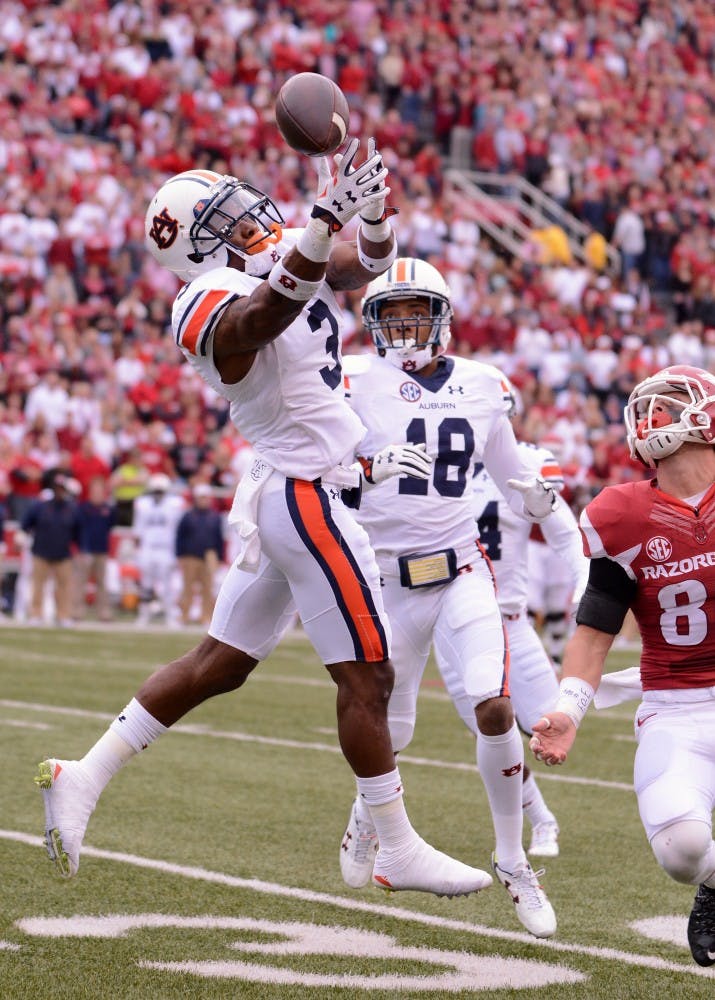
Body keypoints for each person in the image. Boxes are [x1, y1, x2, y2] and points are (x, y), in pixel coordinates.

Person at [35, 141, 494, 898]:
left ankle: (83, 776)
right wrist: (317, 226)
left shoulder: (273, 257)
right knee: (368, 674)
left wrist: (372, 217)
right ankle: (394, 846)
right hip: (303, 494)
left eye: (242, 202)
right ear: (194, 242)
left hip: (302, 485)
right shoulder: (202, 296)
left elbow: (358, 267)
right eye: (225, 215)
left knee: (222, 662)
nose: (251, 217)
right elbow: (258, 319)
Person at [339, 258, 559, 937]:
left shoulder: (483, 384)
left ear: (439, 316)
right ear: (374, 322)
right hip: (382, 577)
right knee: (388, 724)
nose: (403, 325)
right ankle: (365, 818)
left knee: (494, 707)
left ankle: (512, 861)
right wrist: (365, 471)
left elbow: (510, 467)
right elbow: (312, 471)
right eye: (391, 313)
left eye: (414, 311)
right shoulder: (347, 379)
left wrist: (537, 495)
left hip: (463, 569)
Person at [529, 365, 715, 967]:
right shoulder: (622, 513)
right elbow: (595, 631)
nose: (653, 414)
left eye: (669, 403)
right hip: (674, 706)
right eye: (647, 405)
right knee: (682, 851)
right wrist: (568, 709)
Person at [441, 437, 589, 858]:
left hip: (511, 620)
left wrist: (583, 571)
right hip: (455, 622)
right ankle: (543, 821)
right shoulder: (439, 460)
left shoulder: (526, 460)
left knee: (550, 723)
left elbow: (559, 517)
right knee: (493, 731)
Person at [21, 474, 80, 627]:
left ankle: (63, 615)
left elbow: (78, 531)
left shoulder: (71, 508)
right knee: (38, 585)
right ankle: (36, 614)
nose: (59, 491)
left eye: (62, 489)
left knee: (64, 587)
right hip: (41, 551)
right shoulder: (40, 506)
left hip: (63, 553)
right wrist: (22, 536)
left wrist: (78, 548)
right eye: (57, 488)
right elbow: (26, 524)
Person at [132, 473, 185, 626]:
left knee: (167, 584)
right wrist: (138, 550)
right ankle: (143, 615)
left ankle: (170, 616)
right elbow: (138, 529)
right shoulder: (143, 504)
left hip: (165, 548)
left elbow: (177, 529)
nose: (158, 495)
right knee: (146, 584)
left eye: (160, 491)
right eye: (156, 491)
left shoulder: (174, 504)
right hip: (148, 547)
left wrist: (176, 551)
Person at [175, 483, 224, 626]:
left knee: (207, 588)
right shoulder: (188, 516)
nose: (204, 500)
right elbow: (180, 537)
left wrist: (219, 557)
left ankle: (206, 617)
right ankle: (184, 616)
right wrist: (180, 556)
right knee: (187, 588)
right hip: (190, 556)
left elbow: (219, 539)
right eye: (201, 497)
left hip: (209, 556)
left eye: (206, 498)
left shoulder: (214, 517)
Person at [74, 475, 116, 622]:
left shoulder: (108, 509)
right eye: (95, 490)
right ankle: (77, 611)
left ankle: (103, 612)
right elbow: (78, 529)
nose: (97, 493)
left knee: (102, 583)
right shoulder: (83, 508)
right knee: (80, 582)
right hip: (85, 550)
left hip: (101, 550)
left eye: (100, 490)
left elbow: (110, 527)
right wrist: (81, 548)